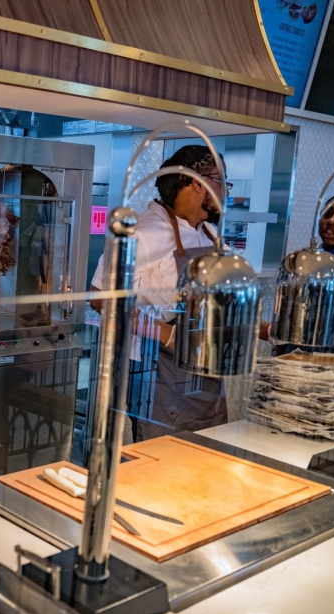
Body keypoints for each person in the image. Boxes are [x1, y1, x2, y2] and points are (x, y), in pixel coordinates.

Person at [89, 145, 232, 442]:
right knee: (163, 459)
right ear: (197, 182)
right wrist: (165, 333)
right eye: (221, 181)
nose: (225, 191)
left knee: (207, 453)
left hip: (205, 367)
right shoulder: (143, 233)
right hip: (160, 370)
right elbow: (100, 298)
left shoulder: (209, 233)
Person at [264, 194, 334, 356]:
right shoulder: (299, 262)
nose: (331, 221)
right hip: (294, 358)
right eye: (327, 214)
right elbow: (289, 317)